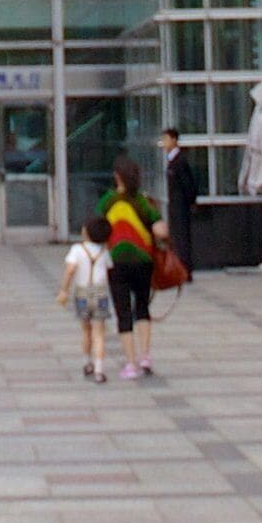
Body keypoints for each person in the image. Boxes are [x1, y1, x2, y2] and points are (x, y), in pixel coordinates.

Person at [101, 160, 162, 380]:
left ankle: (131, 364)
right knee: (142, 307)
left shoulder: (108, 201)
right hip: (144, 261)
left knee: (123, 311)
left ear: (117, 176)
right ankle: (145, 356)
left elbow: (95, 228)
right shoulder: (144, 202)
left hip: (116, 262)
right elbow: (160, 230)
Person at [56, 218, 111, 382]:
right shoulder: (104, 252)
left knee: (86, 330)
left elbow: (70, 270)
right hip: (100, 292)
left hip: (82, 292)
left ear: (85, 232)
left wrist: (64, 290)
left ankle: (88, 363)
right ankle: (100, 370)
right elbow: (109, 269)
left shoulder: (77, 249)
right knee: (99, 332)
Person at [160, 128, 201, 273]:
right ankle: (180, 269)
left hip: (181, 206)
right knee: (177, 239)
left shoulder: (180, 161)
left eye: (166, 139)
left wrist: (190, 202)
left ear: (174, 140)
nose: (163, 143)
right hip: (176, 206)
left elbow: (187, 184)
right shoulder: (172, 160)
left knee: (182, 239)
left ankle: (185, 270)